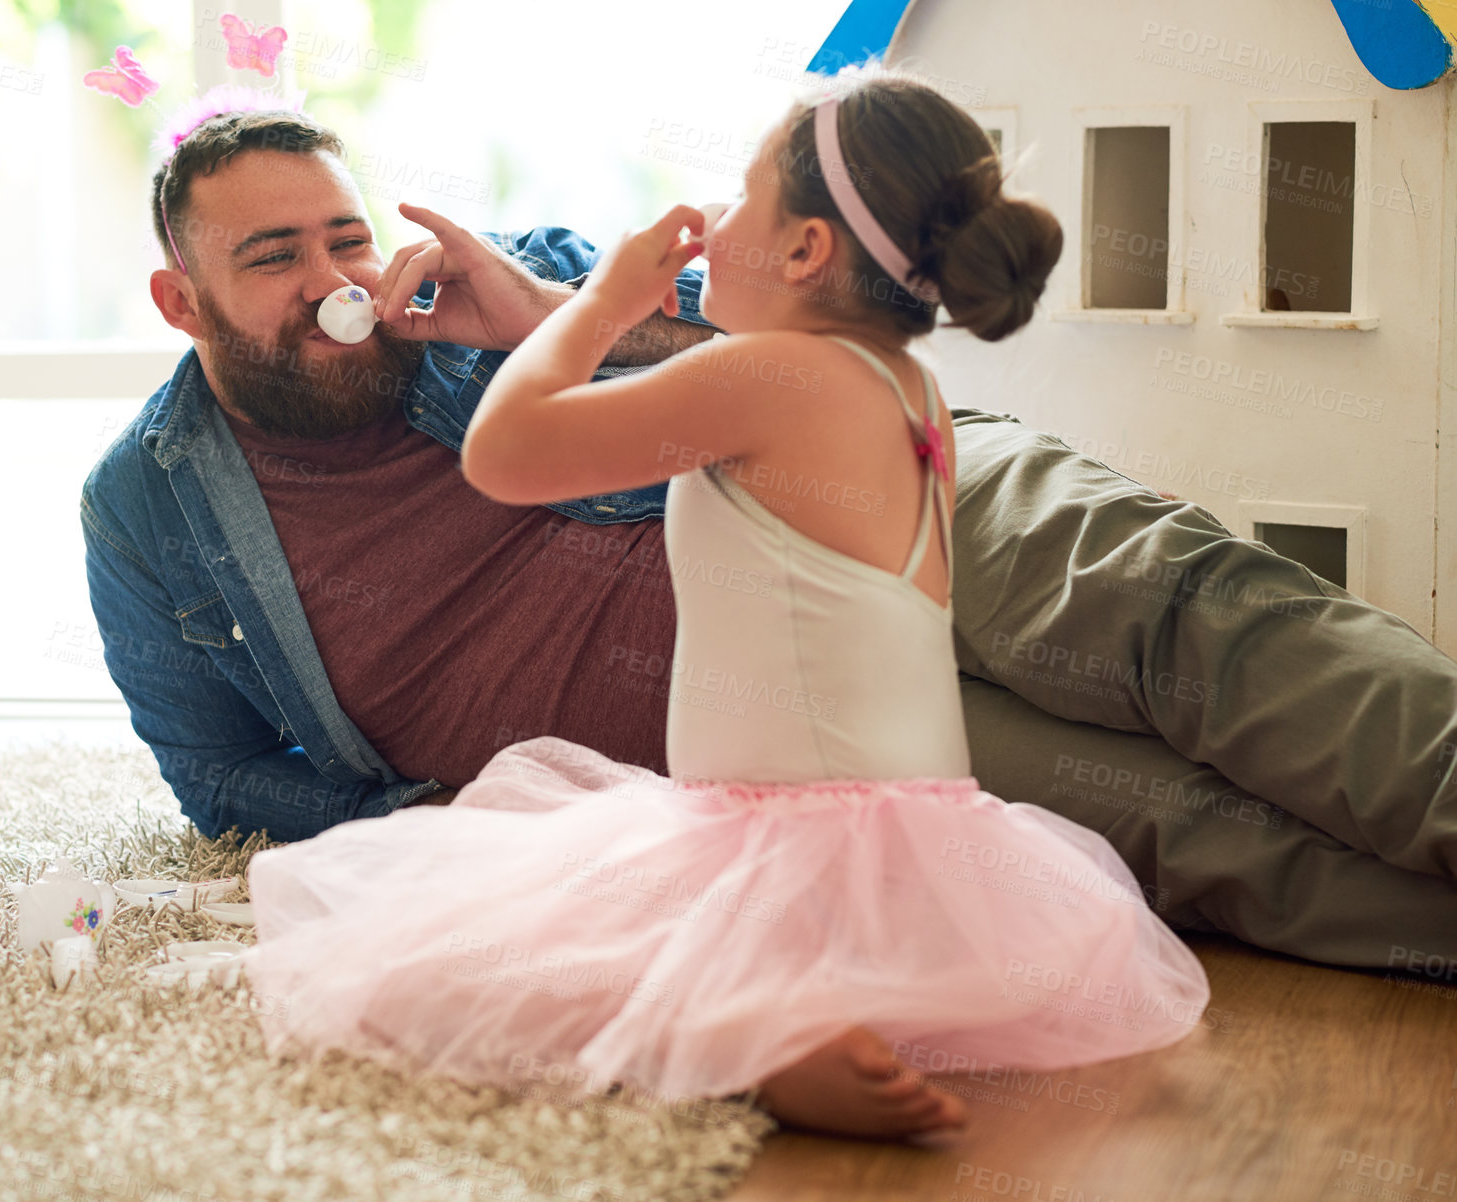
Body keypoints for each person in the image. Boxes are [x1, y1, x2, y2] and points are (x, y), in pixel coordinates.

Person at [80, 91, 1457, 985]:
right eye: (272, 260)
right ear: (177, 298)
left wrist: (544, 312)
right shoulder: (146, 505)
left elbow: (792, 314)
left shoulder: (505, 284)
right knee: (1175, 834)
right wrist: (452, 828)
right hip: (773, 758)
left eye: (343, 236)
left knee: (1180, 615)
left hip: (867, 496)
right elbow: (220, 772)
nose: (336, 285)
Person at [239, 71, 1213, 1142]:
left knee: (448, 971)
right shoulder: (902, 383)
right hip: (924, 846)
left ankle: (761, 1042)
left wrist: (606, 299)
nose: (711, 224)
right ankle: (796, 1019)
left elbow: (504, 451)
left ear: (804, 252)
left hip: (782, 843)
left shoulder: (765, 374)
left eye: (743, 199)